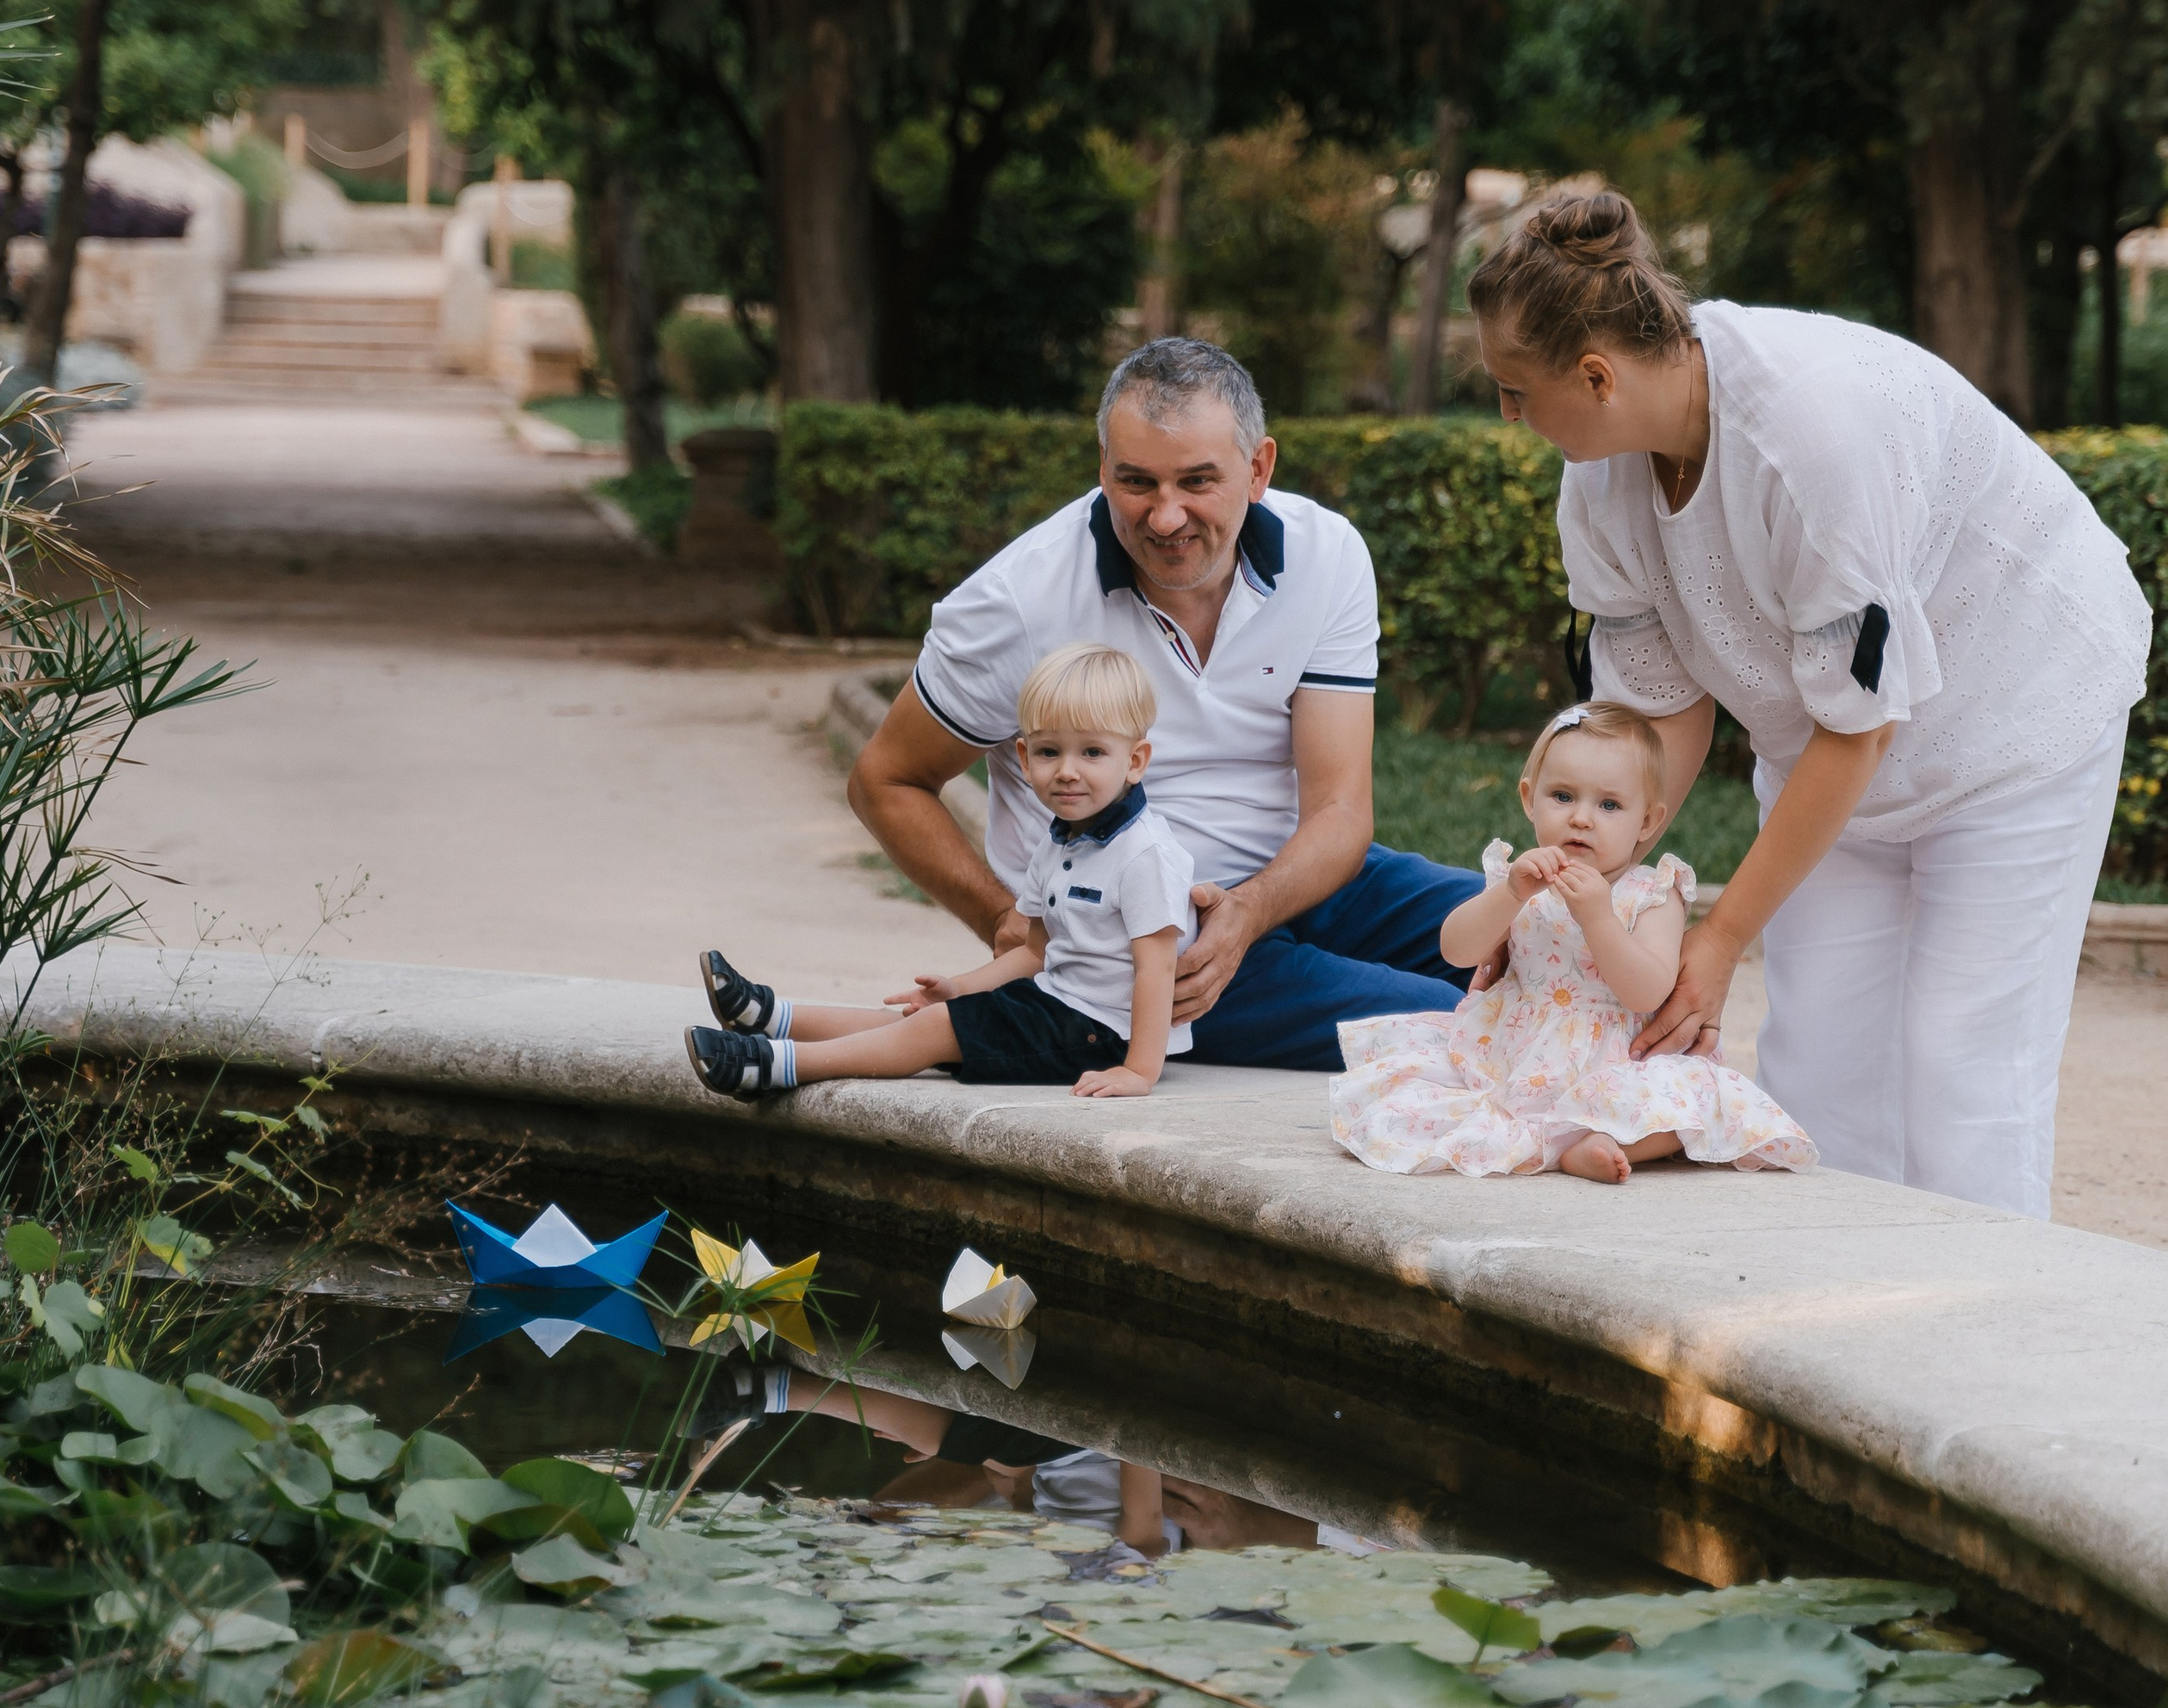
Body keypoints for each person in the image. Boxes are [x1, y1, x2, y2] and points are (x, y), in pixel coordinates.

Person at [1471, 193, 2150, 1218]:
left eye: (1515, 392)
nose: (1508, 417)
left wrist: (1717, 936)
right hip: (1831, 753)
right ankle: (1836, 1336)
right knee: (1816, 1058)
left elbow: (1860, 724)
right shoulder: (1599, 481)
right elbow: (1655, 721)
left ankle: (1969, 1345)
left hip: (2017, 715)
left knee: (1962, 1063)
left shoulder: (1811, 435)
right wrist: (1598, 885)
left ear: (1596, 375)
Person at [846, 336, 1479, 1069]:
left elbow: (1340, 811)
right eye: (1137, 482)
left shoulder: (1326, 554)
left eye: (1198, 482)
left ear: (1259, 468)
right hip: (1151, 940)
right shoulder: (1020, 599)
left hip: (1302, 881)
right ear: (1103, 474)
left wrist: (1249, 912)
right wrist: (1014, 930)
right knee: (1457, 1025)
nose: (1167, 517)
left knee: (1543, 932)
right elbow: (886, 780)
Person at [1331, 696, 1813, 1182]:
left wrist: (1599, 920)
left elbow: (1647, 990)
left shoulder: (1651, 891)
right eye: (1563, 796)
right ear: (1528, 798)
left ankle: (1597, 1142)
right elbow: (1456, 950)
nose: (1582, 818)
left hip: (1617, 1060)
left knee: (1695, 1103)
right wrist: (1509, 895)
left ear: (1647, 820)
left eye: (1609, 805)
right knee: (1435, 1084)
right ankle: (1572, 1136)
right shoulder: (1521, 878)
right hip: (1516, 1052)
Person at [686, 641, 1196, 1098]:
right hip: (1057, 1006)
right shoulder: (1059, 841)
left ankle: (775, 1066)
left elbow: (1157, 969)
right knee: (928, 1018)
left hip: (1103, 1034)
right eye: (1048, 751)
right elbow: (1036, 952)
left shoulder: (1143, 854)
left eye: (1092, 752)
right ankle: (774, 1018)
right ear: (1023, 757)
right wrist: (962, 988)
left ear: (1134, 761)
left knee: (933, 1033)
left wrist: (1138, 1071)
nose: (1067, 769)